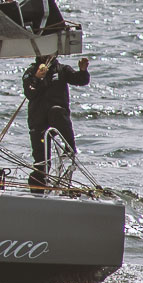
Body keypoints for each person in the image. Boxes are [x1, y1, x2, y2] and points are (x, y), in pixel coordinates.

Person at [24, 54, 91, 188]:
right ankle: (38, 188)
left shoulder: (62, 70)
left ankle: (70, 146)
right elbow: (29, 93)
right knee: (41, 162)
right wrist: (37, 78)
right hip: (38, 119)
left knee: (56, 111)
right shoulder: (31, 71)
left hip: (58, 117)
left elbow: (80, 80)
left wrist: (83, 71)